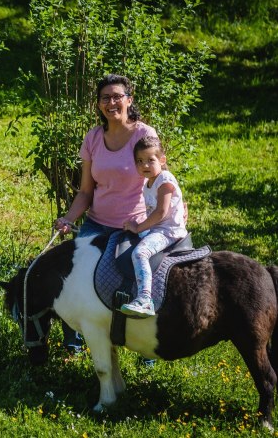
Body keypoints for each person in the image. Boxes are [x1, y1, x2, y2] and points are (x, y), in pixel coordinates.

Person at [53, 74, 159, 355]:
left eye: (117, 96)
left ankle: (144, 350)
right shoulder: (93, 138)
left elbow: (157, 181)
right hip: (97, 223)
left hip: (134, 226)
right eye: (105, 98)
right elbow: (85, 191)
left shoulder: (144, 135)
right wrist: (68, 219)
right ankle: (73, 343)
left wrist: (165, 212)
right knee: (69, 275)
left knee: (137, 280)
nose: (111, 102)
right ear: (98, 104)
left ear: (129, 100)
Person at [120, 136, 187, 317]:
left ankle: (145, 299)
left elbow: (161, 212)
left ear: (162, 160)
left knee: (140, 252)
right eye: (140, 161)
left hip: (168, 231)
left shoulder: (164, 179)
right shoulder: (147, 183)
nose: (145, 165)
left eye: (151, 160)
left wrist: (138, 227)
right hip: (158, 229)